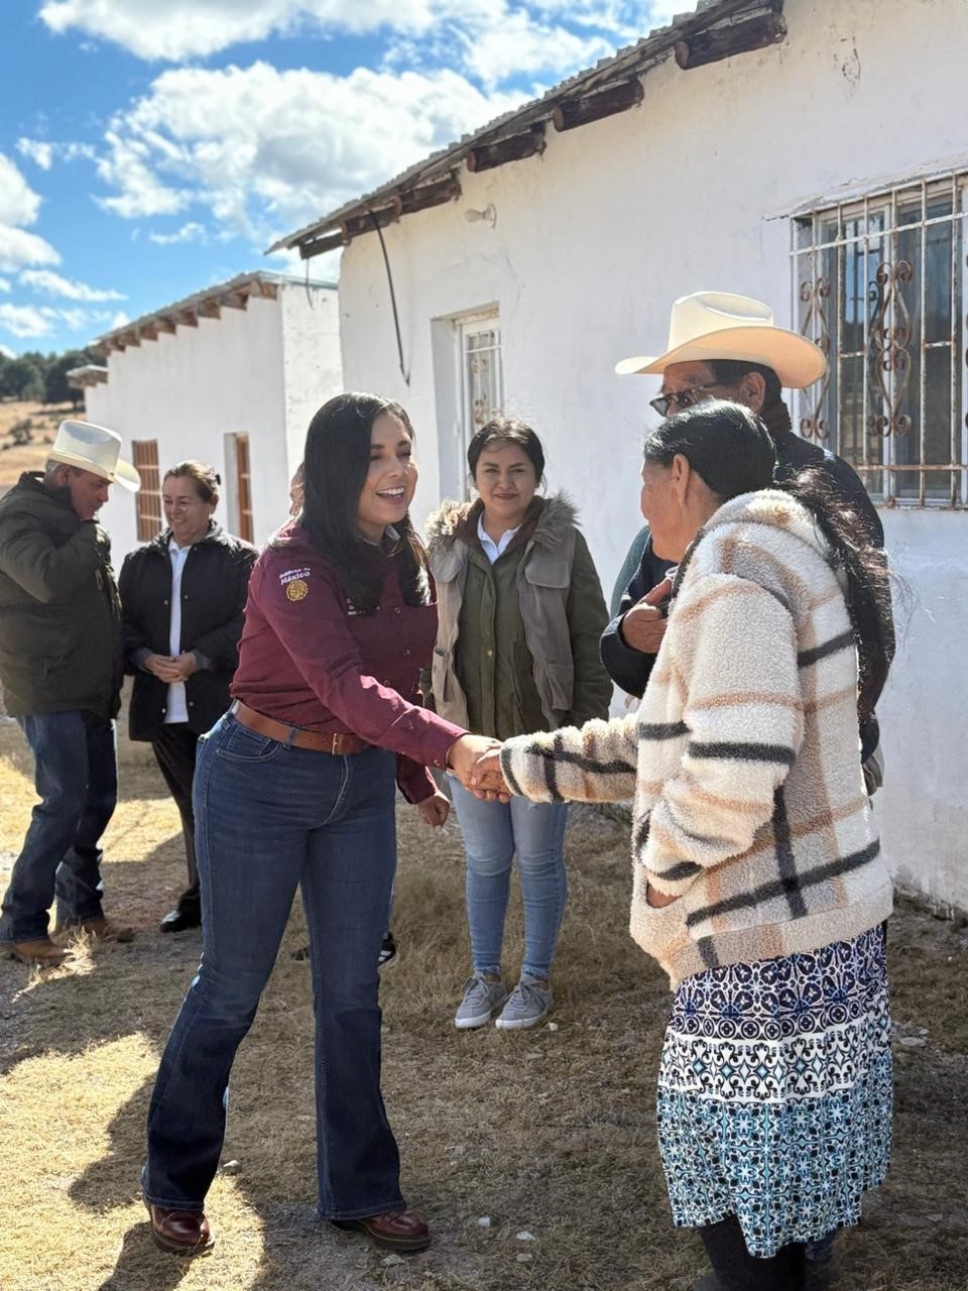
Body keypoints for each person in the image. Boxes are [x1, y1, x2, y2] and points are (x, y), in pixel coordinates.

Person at [476, 401, 895, 1291]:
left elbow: (735, 769)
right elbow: (667, 739)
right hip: (815, 924)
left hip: (764, 943)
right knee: (780, 1188)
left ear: (679, 474)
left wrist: (664, 863)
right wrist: (518, 763)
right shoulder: (779, 546)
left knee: (736, 1199)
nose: (640, 504)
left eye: (644, 480)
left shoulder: (734, 569)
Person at [142, 392, 496, 1259]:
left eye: (404, 450)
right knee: (231, 988)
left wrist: (411, 774)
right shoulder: (289, 562)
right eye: (377, 454)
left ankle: (362, 1188)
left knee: (351, 993)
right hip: (258, 776)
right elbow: (343, 682)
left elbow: (399, 677)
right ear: (337, 465)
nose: (398, 469)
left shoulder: (403, 552)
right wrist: (452, 746)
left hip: (359, 783)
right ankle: (175, 1181)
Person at [602, 291, 891, 796]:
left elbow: (866, 636)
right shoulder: (686, 483)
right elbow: (640, 613)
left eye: (687, 397)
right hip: (707, 768)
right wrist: (628, 636)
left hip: (806, 774)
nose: (672, 417)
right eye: (666, 401)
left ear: (752, 392)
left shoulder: (821, 486)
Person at [425, 418, 612, 1029]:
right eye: (491, 470)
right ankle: (484, 977)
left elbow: (591, 639)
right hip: (466, 737)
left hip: (541, 735)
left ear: (538, 476)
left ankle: (535, 980)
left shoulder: (564, 543)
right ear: (474, 476)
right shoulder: (446, 545)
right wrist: (431, 727)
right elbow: (426, 637)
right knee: (484, 859)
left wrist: (578, 735)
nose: (504, 483)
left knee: (536, 860)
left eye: (518, 470)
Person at [0, 421, 140, 966]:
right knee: (62, 803)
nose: (104, 497)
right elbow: (48, 579)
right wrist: (92, 537)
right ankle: (22, 925)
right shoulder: (18, 517)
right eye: (97, 484)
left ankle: (82, 910)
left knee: (97, 800)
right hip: (48, 687)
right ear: (64, 476)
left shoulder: (71, 521)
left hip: (87, 688)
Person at [118, 462, 257, 933]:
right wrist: (143, 658)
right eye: (167, 501)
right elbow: (124, 626)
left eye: (184, 502)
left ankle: (226, 903)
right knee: (191, 805)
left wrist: (200, 658)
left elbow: (248, 624)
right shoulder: (140, 562)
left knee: (219, 806)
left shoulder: (240, 559)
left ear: (210, 503)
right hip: (162, 708)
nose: (173, 511)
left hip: (220, 706)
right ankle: (203, 901)